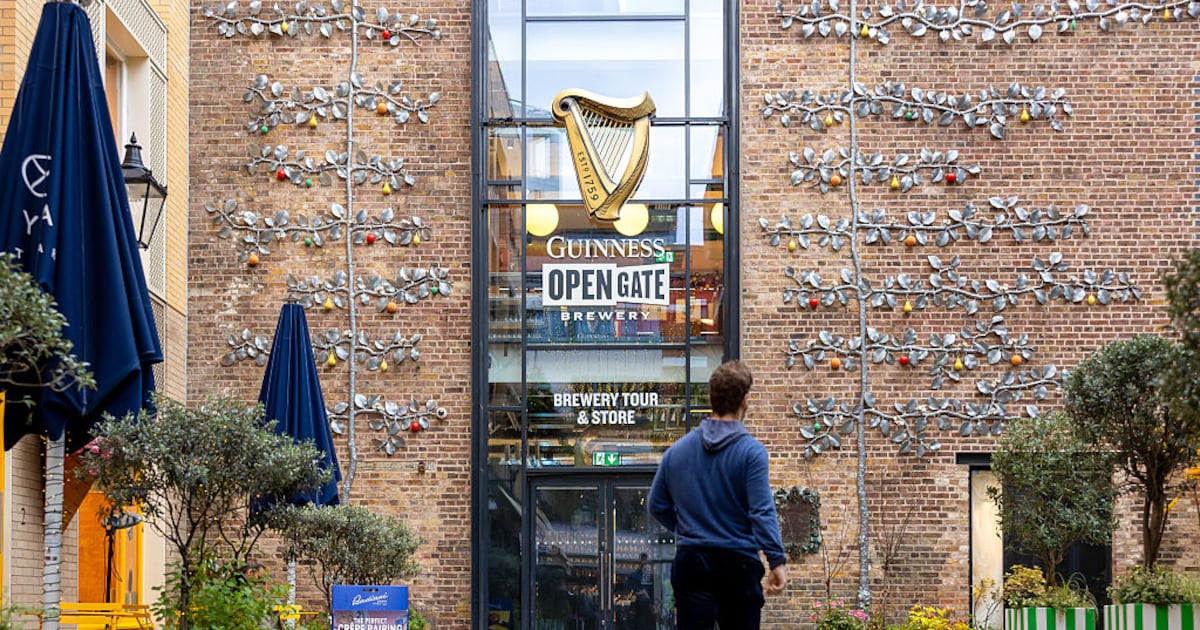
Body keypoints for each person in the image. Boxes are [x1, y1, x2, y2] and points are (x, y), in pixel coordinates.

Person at [649, 360, 787, 630]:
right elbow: (761, 511)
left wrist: (688, 528)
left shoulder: (676, 452)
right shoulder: (751, 453)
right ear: (745, 401)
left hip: (692, 561)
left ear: (710, 398)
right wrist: (776, 560)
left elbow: (657, 505)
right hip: (738, 563)